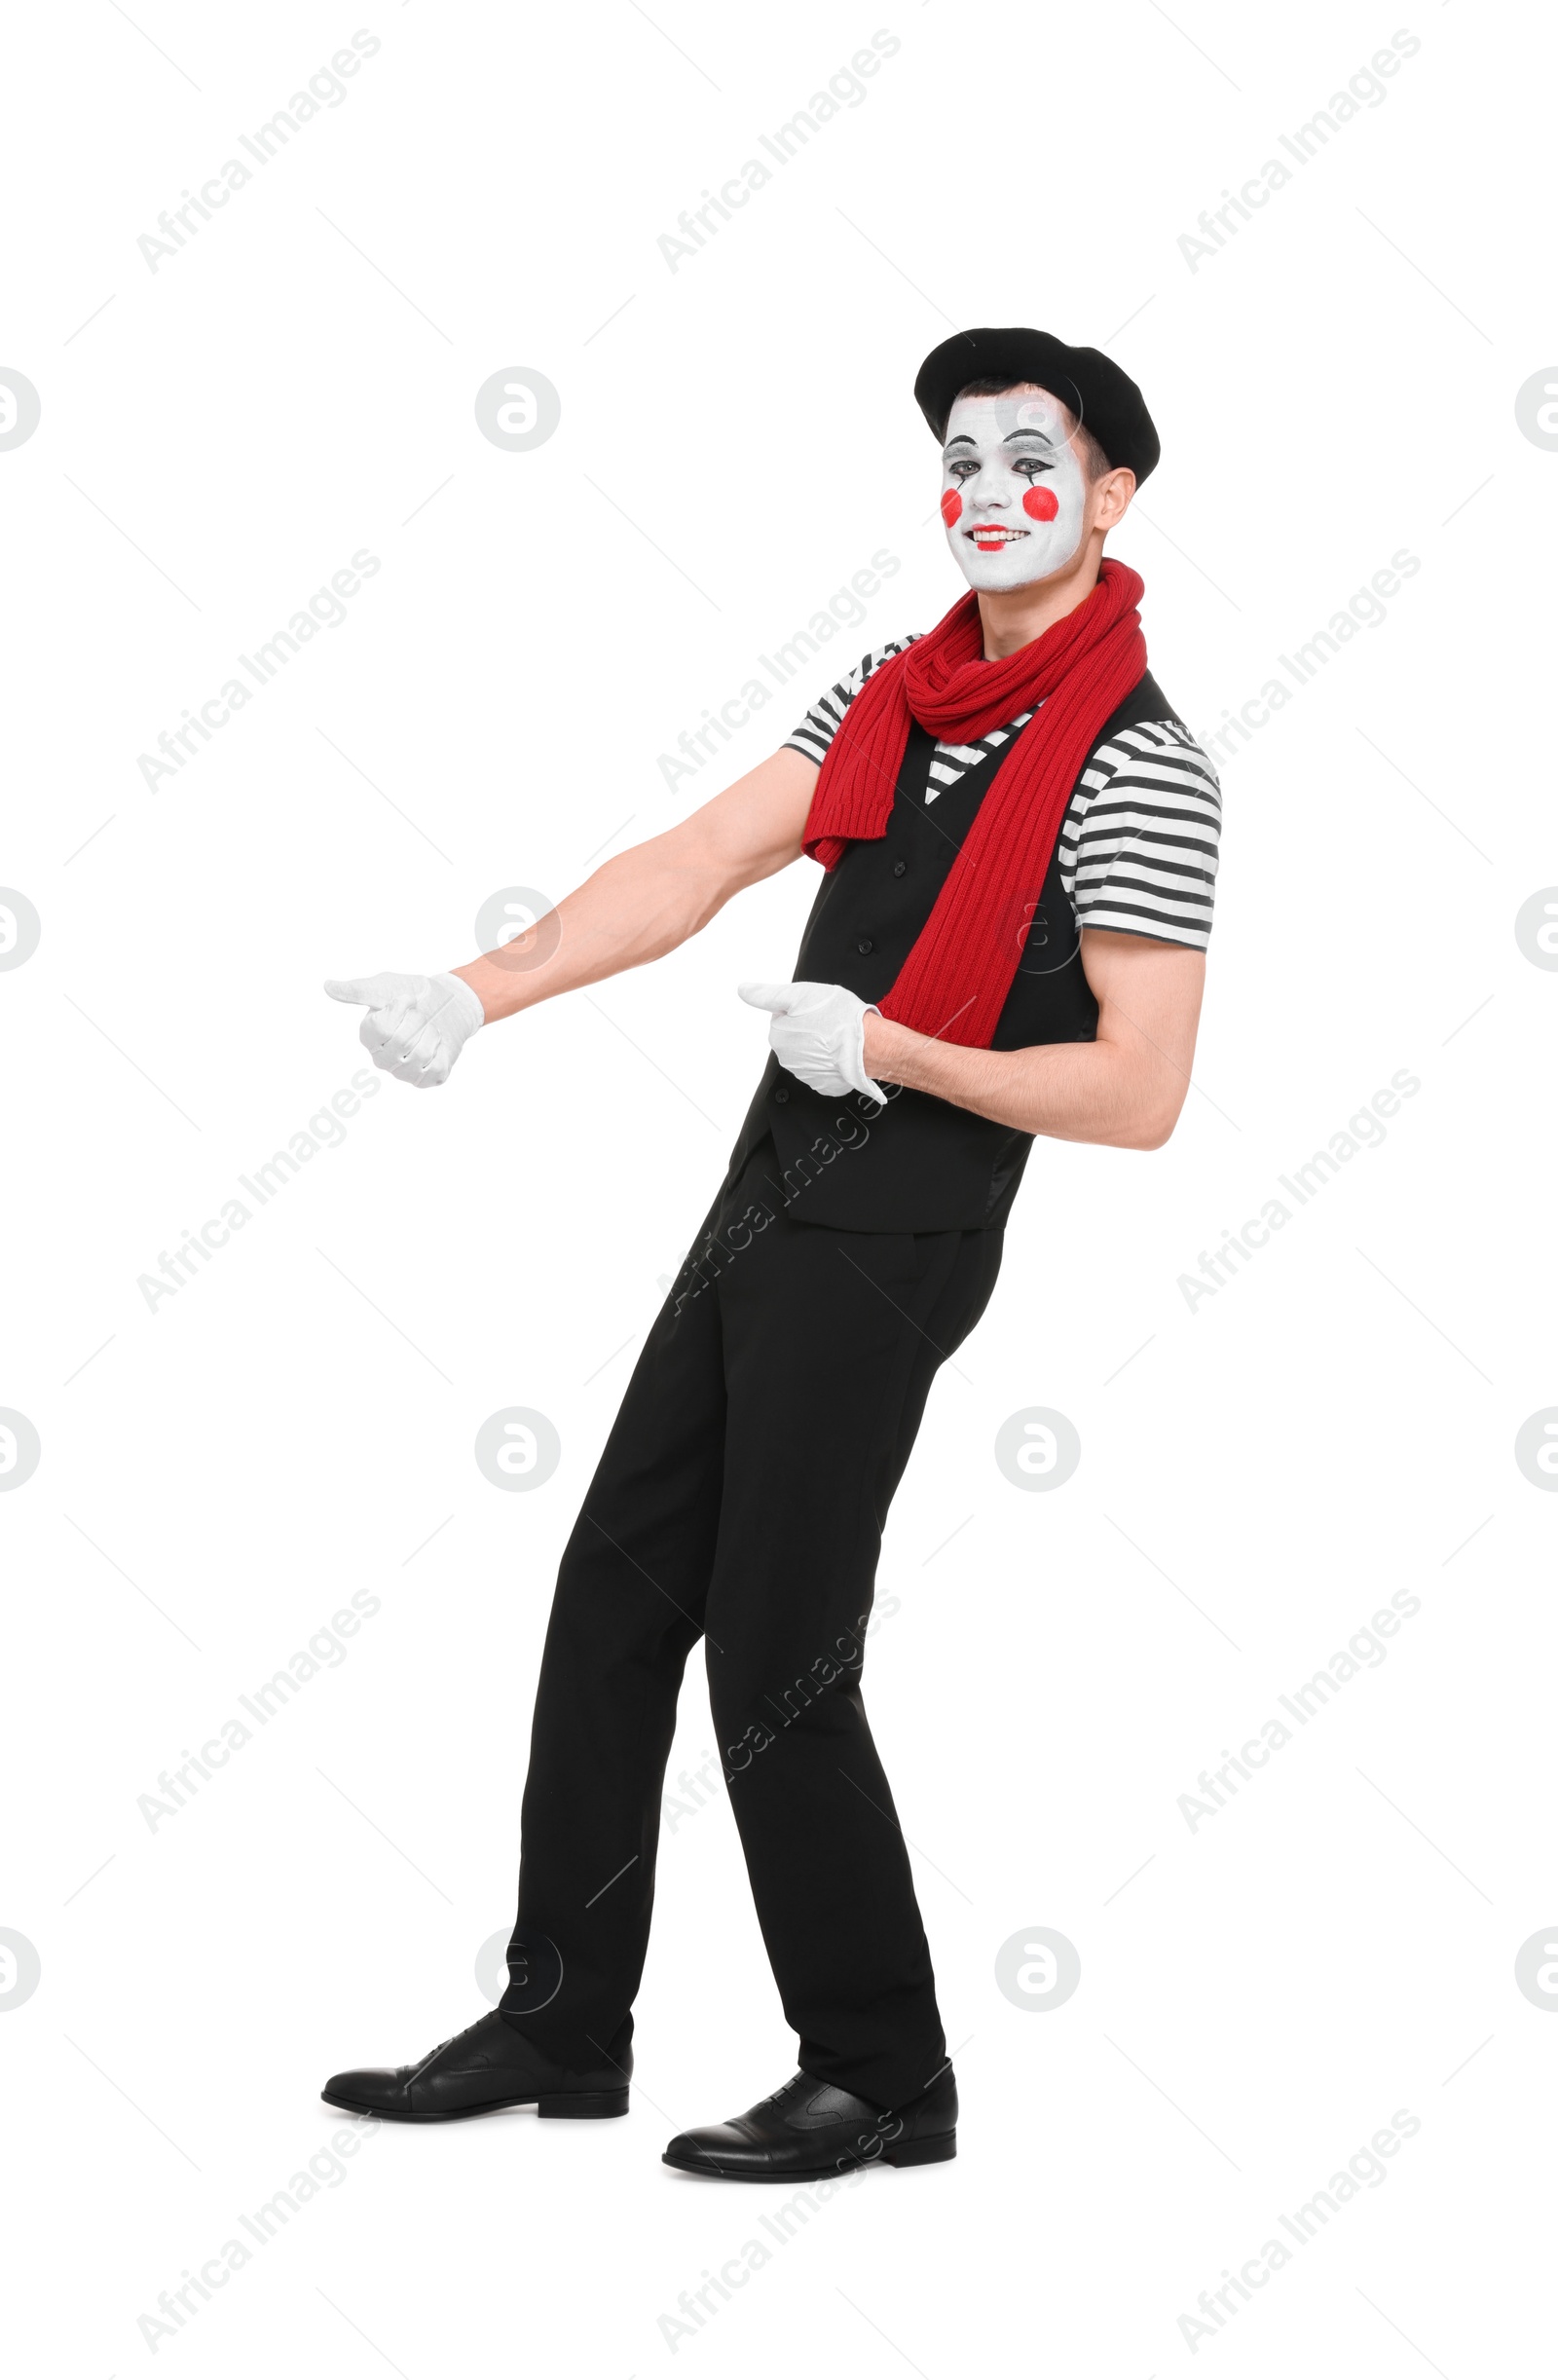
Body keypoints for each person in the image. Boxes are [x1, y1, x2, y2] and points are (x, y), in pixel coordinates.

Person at [319, 327, 1222, 2180]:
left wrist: (889, 1049)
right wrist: (479, 989)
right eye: (958, 459)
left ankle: (885, 2069)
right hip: (767, 1193)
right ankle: (564, 2015)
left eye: (1026, 456)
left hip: (898, 1236)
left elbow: (1141, 1091)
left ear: (1116, 493)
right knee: (615, 1590)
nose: (985, 490)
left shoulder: (1144, 767)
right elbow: (698, 859)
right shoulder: (890, 700)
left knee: (781, 1657)